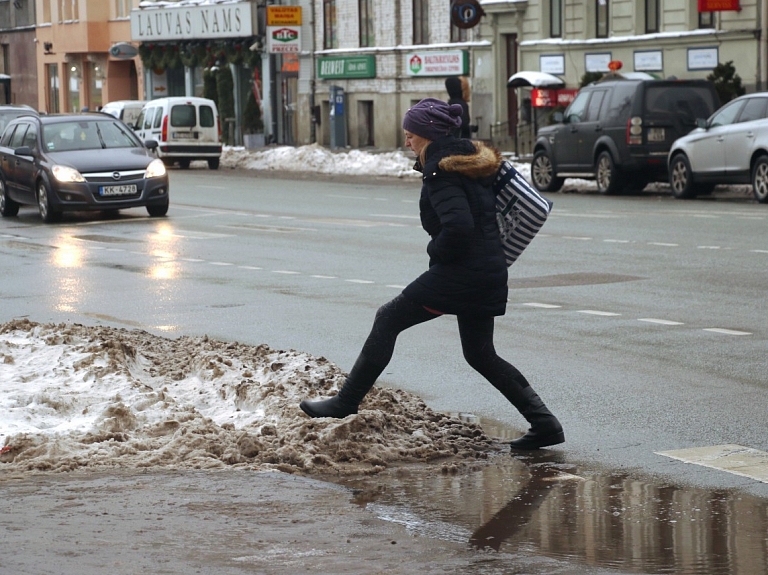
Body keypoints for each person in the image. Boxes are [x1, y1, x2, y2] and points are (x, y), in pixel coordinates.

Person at [299, 98, 564, 450]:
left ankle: (345, 402)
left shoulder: (441, 170)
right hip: (487, 270)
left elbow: (458, 227)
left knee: (388, 318)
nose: (407, 141)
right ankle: (545, 423)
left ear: (427, 135)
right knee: (481, 353)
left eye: (411, 134)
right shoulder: (470, 163)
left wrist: (435, 252)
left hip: (461, 273)